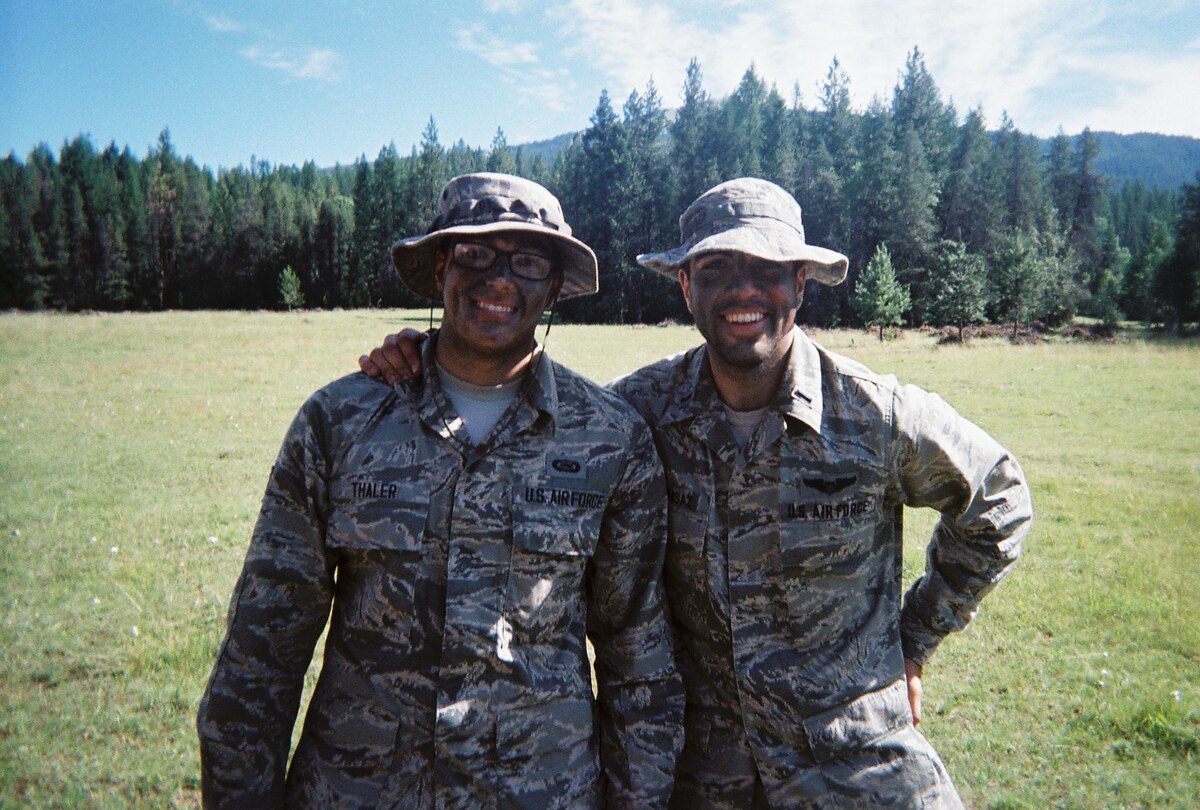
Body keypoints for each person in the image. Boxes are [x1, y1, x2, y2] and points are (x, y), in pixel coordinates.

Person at [360, 177, 1033, 809]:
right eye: (716, 269)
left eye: (767, 270)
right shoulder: (638, 414)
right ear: (685, 285)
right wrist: (432, 358)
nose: (743, 290)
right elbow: (524, 413)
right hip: (704, 778)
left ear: (800, 284)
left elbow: (998, 496)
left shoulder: (871, 414)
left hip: (858, 768)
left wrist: (915, 639)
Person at [198, 173, 683, 809]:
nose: (500, 280)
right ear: (438, 269)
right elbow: (262, 653)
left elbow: (639, 666)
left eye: (529, 262)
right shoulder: (340, 422)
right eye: (475, 255)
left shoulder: (611, 441)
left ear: (556, 286)